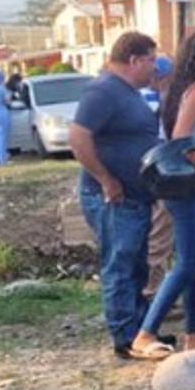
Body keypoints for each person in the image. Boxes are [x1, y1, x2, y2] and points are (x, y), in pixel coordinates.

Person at [128, 30, 195, 359]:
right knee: (188, 261)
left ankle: (194, 334)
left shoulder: (180, 88)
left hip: (185, 181)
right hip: (188, 182)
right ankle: (146, 333)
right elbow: (181, 137)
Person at [68, 32, 164, 359]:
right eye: (151, 60)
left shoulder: (128, 93)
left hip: (136, 196)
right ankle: (124, 335)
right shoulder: (103, 91)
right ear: (134, 60)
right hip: (113, 197)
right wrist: (105, 178)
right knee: (120, 264)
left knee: (136, 264)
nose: (155, 67)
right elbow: (79, 137)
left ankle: (139, 328)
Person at [142, 56, 176, 304]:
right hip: (161, 173)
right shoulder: (159, 100)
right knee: (159, 234)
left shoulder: (145, 99)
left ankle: (156, 289)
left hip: (152, 172)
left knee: (158, 233)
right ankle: (153, 292)